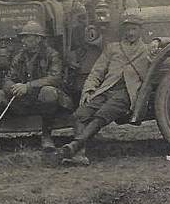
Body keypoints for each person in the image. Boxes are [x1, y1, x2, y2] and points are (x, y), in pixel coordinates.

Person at [59, 14, 152, 166]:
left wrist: (158, 41)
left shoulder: (147, 50)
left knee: (101, 116)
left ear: (140, 31)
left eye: (134, 29)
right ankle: (79, 155)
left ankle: (75, 146)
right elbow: (97, 72)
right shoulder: (112, 48)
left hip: (126, 94)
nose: (130, 33)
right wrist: (89, 90)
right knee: (79, 115)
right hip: (105, 90)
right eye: (128, 29)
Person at [0, 21, 72, 155]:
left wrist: (28, 87)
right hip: (22, 99)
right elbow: (8, 78)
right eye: (23, 37)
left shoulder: (52, 55)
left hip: (43, 100)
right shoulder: (19, 56)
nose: (24, 40)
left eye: (28, 37)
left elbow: (55, 78)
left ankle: (46, 136)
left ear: (38, 39)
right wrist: (13, 87)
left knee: (48, 92)